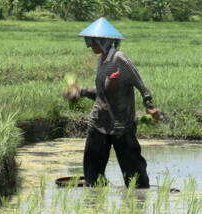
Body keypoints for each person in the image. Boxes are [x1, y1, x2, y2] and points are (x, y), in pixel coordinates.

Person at [64, 17, 160, 188]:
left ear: (104, 41)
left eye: (92, 40)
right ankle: (93, 203)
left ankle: (140, 199)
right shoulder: (101, 60)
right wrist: (81, 91)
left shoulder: (119, 59)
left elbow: (142, 86)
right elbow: (102, 94)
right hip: (99, 122)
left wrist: (150, 107)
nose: (89, 44)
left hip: (121, 125)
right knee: (92, 171)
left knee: (134, 173)